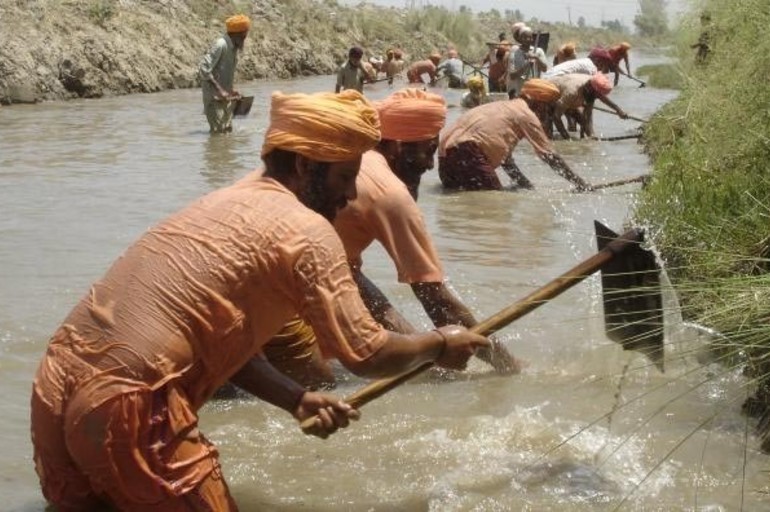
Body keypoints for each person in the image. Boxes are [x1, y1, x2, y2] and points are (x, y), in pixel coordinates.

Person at [30, 89, 490, 511]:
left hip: (58, 381)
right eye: (345, 177)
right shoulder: (307, 230)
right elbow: (367, 353)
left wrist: (294, 398)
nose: (351, 195)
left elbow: (220, 343)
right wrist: (438, 345)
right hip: (131, 401)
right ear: (306, 167)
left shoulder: (222, 201)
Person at [261, 88, 518, 387]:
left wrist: (421, 357)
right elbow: (438, 302)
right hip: (285, 279)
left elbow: (352, 278)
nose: (430, 165)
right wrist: (506, 365)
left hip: (312, 268)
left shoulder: (349, 158)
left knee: (402, 361)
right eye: (428, 149)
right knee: (322, 386)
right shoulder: (390, 194)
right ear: (396, 146)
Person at [437, 79, 592, 192]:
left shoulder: (500, 106)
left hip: (444, 154)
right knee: (493, 204)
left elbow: (506, 161)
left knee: (458, 199)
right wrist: (580, 183)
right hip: (468, 152)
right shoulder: (526, 115)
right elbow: (550, 156)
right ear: (536, 103)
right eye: (547, 108)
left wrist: (526, 186)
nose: (547, 115)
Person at [198, 14, 251, 134]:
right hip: (214, 99)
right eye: (243, 35)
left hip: (225, 99)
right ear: (236, 34)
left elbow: (222, 73)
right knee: (218, 133)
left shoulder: (233, 48)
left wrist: (231, 91)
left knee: (227, 132)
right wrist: (220, 90)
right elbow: (204, 69)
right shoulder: (221, 45)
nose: (245, 38)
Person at [546, 73, 628, 139]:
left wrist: (618, 110)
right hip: (546, 95)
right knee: (548, 134)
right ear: (590, 89)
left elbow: (601, 100)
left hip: (564, 97)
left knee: (584, 123)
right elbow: (556, 117)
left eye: (598, 95)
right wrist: (567, 139)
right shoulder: (572, 92)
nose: (597, 97)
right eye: (596, 95)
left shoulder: (594, 84)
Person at [506, 26, 549, 97]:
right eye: (524, 37)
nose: (528, 39)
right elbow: (512, 75)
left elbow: (545, 69)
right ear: (519, 39)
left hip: (533, 91)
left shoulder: (538, 51)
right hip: (517, 92)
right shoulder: (514, 51)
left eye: (530, 37)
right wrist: (527, 64)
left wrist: (536, 58)